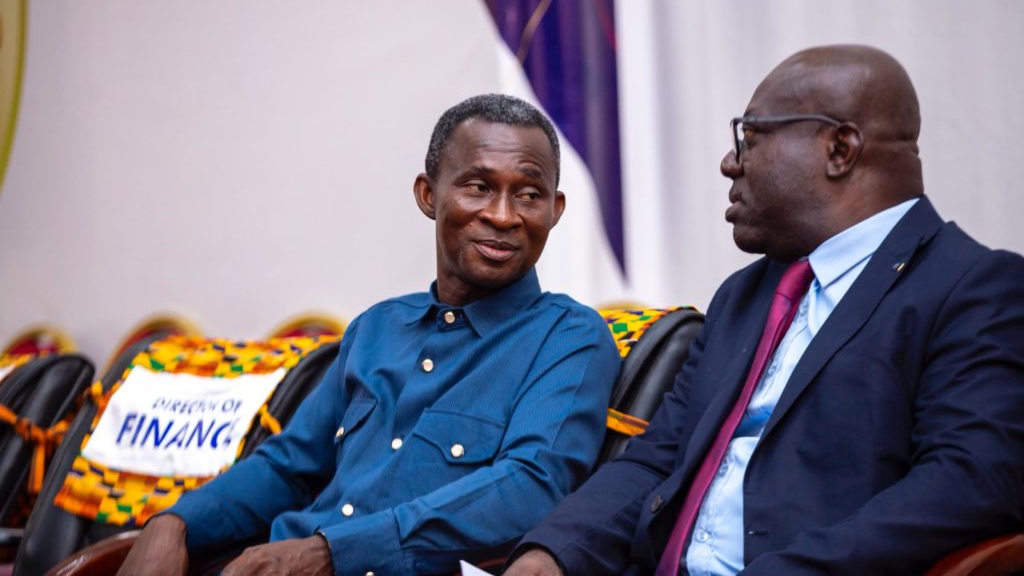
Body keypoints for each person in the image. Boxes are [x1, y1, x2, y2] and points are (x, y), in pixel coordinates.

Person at [506, 45, 1024, 575]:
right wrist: (549, 553)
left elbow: (969, 484)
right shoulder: (744, 295)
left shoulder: (974, 289)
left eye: (750, 138)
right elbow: (658, 460)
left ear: (839, 149)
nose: (730, 163)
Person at [118, 94, 621, 576]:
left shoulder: (568, 337)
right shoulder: (377, 328)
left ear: (555, 210)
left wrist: (331, 553)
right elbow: (288, 467)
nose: (503, 215)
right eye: (478, 187)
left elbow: (530, 486)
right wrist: (174, 522)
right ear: (428, 195)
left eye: (529, 195)